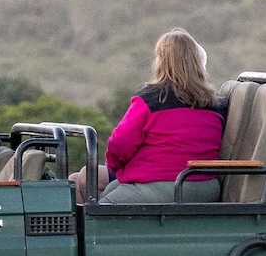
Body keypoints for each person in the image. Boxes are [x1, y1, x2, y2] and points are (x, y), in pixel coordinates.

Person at [70, 29, 227, 203]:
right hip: (207, 187)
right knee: (107, 190)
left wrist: (116, 168)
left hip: (165, 185)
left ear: (162, 62)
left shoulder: (151, 100)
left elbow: (120, 144)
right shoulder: (215, 104)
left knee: (100, 212)